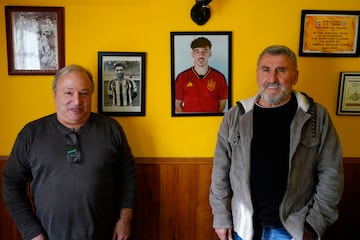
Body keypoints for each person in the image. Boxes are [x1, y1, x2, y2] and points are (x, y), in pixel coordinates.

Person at [209, 45, 344, 240]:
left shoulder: (316, 116)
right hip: (245, 228)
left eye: (281, 70)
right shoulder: (234, 117)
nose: (272, 79)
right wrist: (221, 217)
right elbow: (220, 173)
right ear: (257, 75)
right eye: (266, 70)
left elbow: (331, 175)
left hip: (294, 230)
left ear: (295, 76)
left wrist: (314, 224)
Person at [2, 64, 137, 240]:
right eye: (68, 93)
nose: (77, 101)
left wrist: (125, 220)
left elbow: (128, 176)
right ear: (54, 95)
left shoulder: (111, 129)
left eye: (84, 93)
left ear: (91, 96)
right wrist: (32, 232)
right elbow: (11, 184)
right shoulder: (31, 134)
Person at [175, 36, 228, 113]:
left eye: (205, 51)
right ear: (192, 54)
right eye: (197, 51)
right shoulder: (182, 77)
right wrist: (188, 119)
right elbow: (177, 105)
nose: (201, 55)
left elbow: (222, 105)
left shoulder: (219, 77)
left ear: (210, 54)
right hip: (189, 123)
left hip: (212, 123)